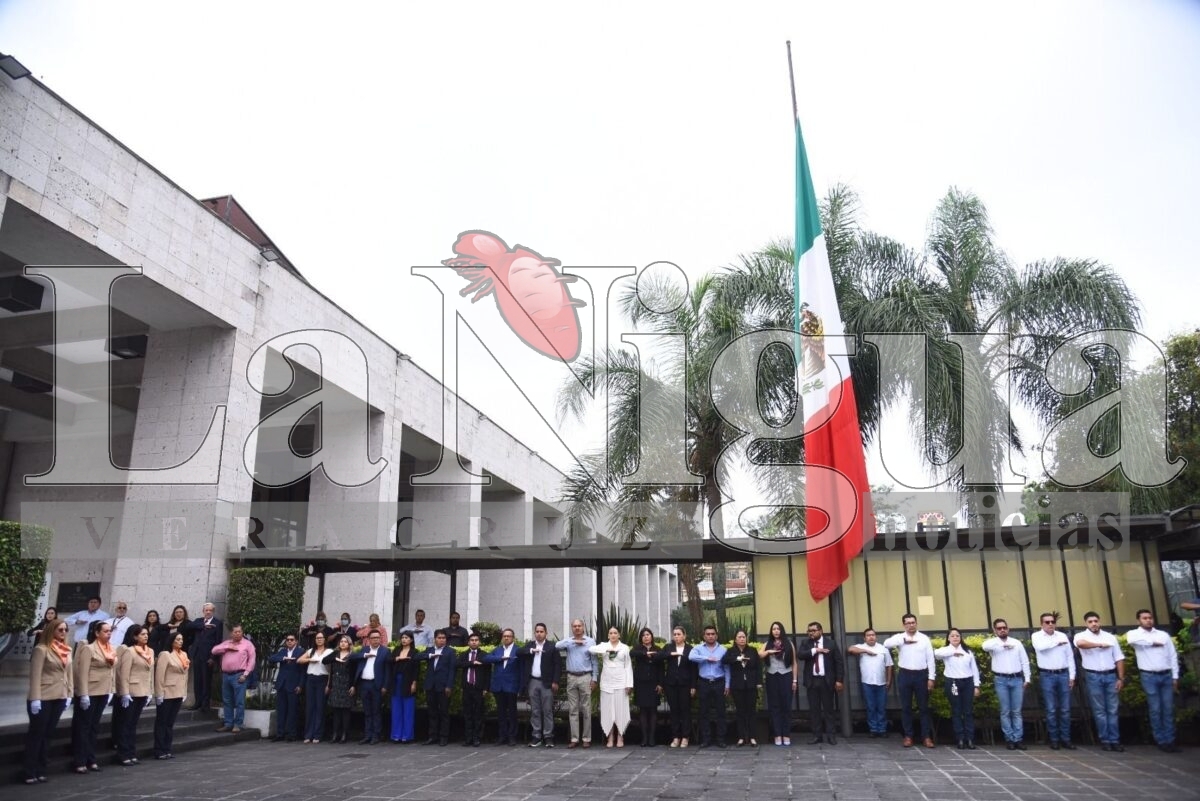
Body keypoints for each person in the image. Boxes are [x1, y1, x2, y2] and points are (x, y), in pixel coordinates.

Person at [23, 621, 73, 784]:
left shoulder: (67, 649)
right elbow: (35, 675)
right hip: (43, 696)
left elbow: (69, 674)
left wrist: (69, 694)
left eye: (65, 629)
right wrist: (35, 698)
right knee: (37, 734)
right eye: (60, 629)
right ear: (52, 630)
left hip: (59, 696)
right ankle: (29, 771)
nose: (63, 632)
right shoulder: (41, 649)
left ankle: (41, 768)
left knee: (48, 734)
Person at [1126, 608, 1180, 753]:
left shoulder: (1163, 635)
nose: (1148, 620)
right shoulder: (1135, 634)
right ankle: (1160, 740)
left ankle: (1170, 740)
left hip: (1166, 674)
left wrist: (1175, 676)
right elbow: (1131, 640)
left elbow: (1172, 655)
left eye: (1150, 618)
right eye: (1145, 618)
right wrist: (1152, 643)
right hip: (1149, 675)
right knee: (1155, 708)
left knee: (1168, 709)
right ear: (1139, 620)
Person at [1073, 610, 1125, 752]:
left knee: (1112, 709)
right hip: (1093, 676)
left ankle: (1115, 740)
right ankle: (1105, 740)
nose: (1094, 624)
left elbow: (1119, 658)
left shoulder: (1110, 637)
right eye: (1090, 622)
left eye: (1096, 621)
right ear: (1086, 623)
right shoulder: (1081, 636)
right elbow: (1080, 644)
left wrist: (1121, 678)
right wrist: (1100, 645)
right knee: (1099, 709)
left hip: (1110, 675)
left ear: (1099, 621)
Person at [882, 613, 937, 748]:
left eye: (913, 622)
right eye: (908, 623)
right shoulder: (900, 637)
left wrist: (931, 677)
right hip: (905, 674)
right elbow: (886, 644)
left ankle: (926, 737)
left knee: (923, 707)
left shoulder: (924, 638)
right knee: (906, 707)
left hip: (921, 675)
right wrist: (903, 640)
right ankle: (908, 736)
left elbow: (930, 659)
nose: (911, 625)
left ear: (916, 623)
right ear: (904, 625)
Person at [72, 619, 116, 774]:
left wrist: (111, 690)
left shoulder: (111, 648)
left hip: (103, 690)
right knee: (84, 726)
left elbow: (111, 671)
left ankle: (91, 758)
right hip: (90, 690)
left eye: (110, 631)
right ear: (97, 633)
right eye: (105, 631)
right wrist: (83, 693)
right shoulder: (88, 648)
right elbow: (82, 672)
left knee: (94, 726)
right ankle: (80, 760)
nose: (109, 633)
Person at [981, 617, 1030, 750]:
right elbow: (984, 646)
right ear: (995, 630)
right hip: (1001, 679)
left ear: (1008, 629)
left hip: (1016, 678)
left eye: (1004, 628)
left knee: (1016, 711)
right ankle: (1009, 738)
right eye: (999, 628)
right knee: (1005, 711)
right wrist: (1000, 644)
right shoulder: (993, 644)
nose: (1002, 630)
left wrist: (1027, 678)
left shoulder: (1016, 643)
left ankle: (1018, 738)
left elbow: (1024, 661)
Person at [1031, 611, 1076, 750]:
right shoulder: (1036, 636)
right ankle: (1054, 739)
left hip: (1063, 674)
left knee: (1065, 709)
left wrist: (1072, 676)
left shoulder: (1062, 636)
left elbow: (1069, 657)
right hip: (1047, 675)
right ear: (1041, 624)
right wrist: (1056, 643)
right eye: (1047, 622)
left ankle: (1066, 739)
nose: (1050, 624)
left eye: (1053, 622)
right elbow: (1040, 648)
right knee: (1050, 709)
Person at [934, 628, 980, 750]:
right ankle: (960, 738)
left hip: (968, 682)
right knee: (956, 711)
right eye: (952, 636)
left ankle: (970, 738)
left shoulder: (967, 651)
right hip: (953, 682)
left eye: (957, 635)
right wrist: (952, 652)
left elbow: (974, 669)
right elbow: (936, 654)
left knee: (968, 711)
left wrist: (976, 685)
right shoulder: (945, 651)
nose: (955, 638)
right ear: (948, 638)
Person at [798, 621, 843, 745]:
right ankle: (817, 736)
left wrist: (839, 680)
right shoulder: (806, 643)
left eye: (813, 630)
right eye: (809, 631)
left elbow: (838, 662)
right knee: (814, 710)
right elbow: (800, 655)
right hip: (812, 681)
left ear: (821, 631)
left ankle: (831, 736)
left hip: (826, 681)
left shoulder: (831, 643)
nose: (811, 633)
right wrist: (815, 650)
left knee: (829, 710)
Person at [114, 624, 154, 765]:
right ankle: (123, 753)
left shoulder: (150, 651)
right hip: (131, 691)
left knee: (133, 723)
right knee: (126, 723)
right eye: (142, 634)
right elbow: (124, 674)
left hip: (143, 690)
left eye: (147, 634)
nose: (146, 636)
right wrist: (124, 693)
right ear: (135, 637)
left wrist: (150, 691)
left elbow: (150, 673)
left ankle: (131, 752)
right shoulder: (129, 651)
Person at [555, 618, 598, 748]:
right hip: (571, 677)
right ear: (572, 628)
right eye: (574, 626)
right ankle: (574, 738)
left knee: (586, 709)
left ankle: (586, 738)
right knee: (572, 709)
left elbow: (594, 661)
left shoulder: (590, 641)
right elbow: (557, 646)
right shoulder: (568, 642)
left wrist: (594, 678)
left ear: (583, 627)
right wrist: (573, 641)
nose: (577, 628)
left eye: (579, 626)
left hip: (585, 676)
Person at [589, 627, 634, 748]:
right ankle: (610, 737)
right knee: (608, 711)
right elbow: (591, 649)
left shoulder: (624, 647)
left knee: (620, 710)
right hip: (607, 683)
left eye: (615, 633)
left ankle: (620, 736)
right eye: (611, 633)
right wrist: (606, 649)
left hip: (621, 682)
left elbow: (628, 666)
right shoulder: (604, 646)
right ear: (608, 635)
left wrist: (629, 684)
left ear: (619, 635)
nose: (613, 635)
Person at [688, 625, 730, 749]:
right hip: (704, 683)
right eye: (708, 634)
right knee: (703, 712)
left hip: (719, 682)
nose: (710, 636)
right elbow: (691, 657)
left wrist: (727, 685)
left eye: (713, 634)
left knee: (721, 712)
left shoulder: (723, 649)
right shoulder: (698, 648)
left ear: (716, 635)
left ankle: (721, 739)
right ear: (704, 636)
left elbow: (727, 668)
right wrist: (707, 658)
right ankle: (706, 739)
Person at [759, 621, 799, 746]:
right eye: (774, 629)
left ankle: (786, 734)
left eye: (778, 628)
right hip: (772, 676)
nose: (776, 631)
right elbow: (760, 655)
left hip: (786, 675)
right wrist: (769, 652)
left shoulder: (789, 643)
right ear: (771, 631)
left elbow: (794, 663)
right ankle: (777, 734)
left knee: (786, 706)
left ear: (781, 630)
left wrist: (794, 680)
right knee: (774, 706)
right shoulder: (767, 643)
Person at [210, 624, 256, 734]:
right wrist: (227, 648)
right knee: (227, 701)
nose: (237, 634)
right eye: (235, 632)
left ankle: (238, 724)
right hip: (226, 675)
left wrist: (245, 674)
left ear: (242, 632)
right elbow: (214, 650)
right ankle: (228, 724)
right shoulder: (227, 643)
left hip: (239, 675)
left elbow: (252, 661)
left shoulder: (247, 644)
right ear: (231, 633)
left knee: (239, 702)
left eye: (239, 631)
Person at [847, 627, 892, 739]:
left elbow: (889, 666)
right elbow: (850, 649)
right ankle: (873, 729)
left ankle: (882, 729)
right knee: (871, 707)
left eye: (873, 635)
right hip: (867, 683)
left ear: (876, 637)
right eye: (868, 635)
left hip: (881, 683)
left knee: (881, 707)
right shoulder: (861, 647)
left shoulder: (883, 649)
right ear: (864, 638)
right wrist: (866, 651)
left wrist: (889, 680)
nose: (871, 637)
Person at [522, 622, 561, 747]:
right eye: (537, 632)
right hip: (533, 681)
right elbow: (519, 652)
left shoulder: (551, 646)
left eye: (541, 632)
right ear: (534, 633)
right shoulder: (530, 645)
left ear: (546, 633)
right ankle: (536, 736)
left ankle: (548, 736)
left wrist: (555, 681)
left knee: (548, 710)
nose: (539, 634)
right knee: (535, 710)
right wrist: (531, 651)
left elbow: (557, 665)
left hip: (547, 683)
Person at [153, 632, 190, 759]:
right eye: (178, 639)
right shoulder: (165, 654)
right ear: (172, 640)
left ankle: (167, 748)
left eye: (182, 639)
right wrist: (159, 693)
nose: (181, 641)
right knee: (162, 722)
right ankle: (159, 750)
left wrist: (184, 691)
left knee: (170, 722)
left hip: (178, 692)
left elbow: (185, 675)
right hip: (167, 691)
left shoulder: (184, 654)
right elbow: (159, 675)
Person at [352, 628, 392, 744]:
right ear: (369, 639)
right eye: (373, 638)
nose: (376, 640)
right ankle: (367, 735)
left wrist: (385, 686)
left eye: (378, 638)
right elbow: (352, 657)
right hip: (364, 684)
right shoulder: (364, 649)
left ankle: (376, 735)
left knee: (376, 711)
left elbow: (387, 671)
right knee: (367, 711)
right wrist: (365, 655)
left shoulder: (385, 651)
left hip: (376, 684)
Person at [723, 629, 761, 747]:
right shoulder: (731, 651)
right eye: (739, 637)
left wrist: (758, 682)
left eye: (744, 637)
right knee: (740, 711)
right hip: (737, 685)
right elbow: (724, 660)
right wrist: (737, 659)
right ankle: (741, 737)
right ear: (735, 639)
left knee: (751, 711)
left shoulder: (752, 650)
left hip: (751, 685)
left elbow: (758, 667)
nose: (742, 639)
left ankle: (752, 737)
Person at [484, 627, 521, 745]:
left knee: (512, 712)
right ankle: (502, 736)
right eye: (504, 636)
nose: (506, 638)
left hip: (511, 685)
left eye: (508, 636)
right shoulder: (498, 650)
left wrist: (520, 687)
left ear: (513, 638)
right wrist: (500, 658)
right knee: (501, 712)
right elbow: (486, 658)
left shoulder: (517, 650)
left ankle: (512, 736)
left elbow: (521, 669)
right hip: (498, 685)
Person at [184, 602, 223, 710]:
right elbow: (188, 626)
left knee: (206, 680)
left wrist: (213, 657)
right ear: (203, 611)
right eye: (206, 610)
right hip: (197, 654)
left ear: (213, 611)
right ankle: (198, 702)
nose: (208, 612)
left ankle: (205, 704)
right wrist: (203, 626)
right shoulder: (198, 621)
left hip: (208, 656)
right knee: (197, 680)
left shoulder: (217, 623)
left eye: (210, 610)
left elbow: (218, 642)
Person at [267, 632, 305, 742]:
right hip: (281, 684)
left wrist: (300, 685)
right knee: (281, 710)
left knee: (292, 711)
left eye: (292, 640)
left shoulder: (300, 652)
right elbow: (271, 658)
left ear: (296, 641)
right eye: (287, 640)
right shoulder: (283, 651)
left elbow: (303, 671)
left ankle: (291, 734)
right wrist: (283, 658)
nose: (289, 641)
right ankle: (280, 734)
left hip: (293, 684)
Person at [662, 625, 696, 748]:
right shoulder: (668, 647)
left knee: (685, 710)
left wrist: (693, 686)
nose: (676, 636)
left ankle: (685, 737)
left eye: (679, 634)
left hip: (685, 684)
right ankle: (675, 736)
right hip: (671, 684)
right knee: (674, 710)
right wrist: (671, 654)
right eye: (674, 634)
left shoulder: (690, 649)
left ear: (684, 636)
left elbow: (693, 669)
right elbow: (659, 656)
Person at [421, 629, 456, 745]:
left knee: (444, 712)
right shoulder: (430, 650)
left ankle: (444, 737)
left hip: (443, 686)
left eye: (443, 638)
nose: (441, 640)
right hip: (430, 685)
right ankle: (432, 736)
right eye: (439, 638)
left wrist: (449, 686)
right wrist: (430, 655)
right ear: (435, 639)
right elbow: (417, 656)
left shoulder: (450, 652)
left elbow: (452, 670)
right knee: (432, 712)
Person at [630, 627, 663, 747]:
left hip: (653, 683)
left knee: (653, 711)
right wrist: (645, 653)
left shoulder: (657, 649)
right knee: (643, 711)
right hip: (641, 683)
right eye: (643, 635)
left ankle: (652, 738)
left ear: (651, 636)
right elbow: (631, 654)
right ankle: (644, 738)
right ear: (641, 638)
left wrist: (660, 683)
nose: (646, 637)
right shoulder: (638, 648)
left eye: (648, 634)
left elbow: (661, 667)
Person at [298, 632, 332, 743]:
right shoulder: (311, 651)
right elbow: (299, 660)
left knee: (320, 707)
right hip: (311, 680)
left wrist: (328, 684)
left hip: (322, 679)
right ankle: (308, 734)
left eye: (321, 638)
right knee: (310, 707)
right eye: (317, 638)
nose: (319, 639)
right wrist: (310, 660)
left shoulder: (329, 651)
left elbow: (331, 670)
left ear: (325, 639)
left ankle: (318, 734)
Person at [458, 632, 490, 747]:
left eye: (476, 640)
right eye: (472, 640)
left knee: (478, 713)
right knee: (467, 713)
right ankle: (468, 738)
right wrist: (472, 663)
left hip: (478, 688)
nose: (474, 642)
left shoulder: (484, 655)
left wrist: (486, 688)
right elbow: (459, 664)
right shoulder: (464, 654)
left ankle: (477, 737)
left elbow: (488, 673)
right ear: (468, 642)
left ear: (479, 642)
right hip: (467, 687)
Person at [390, 631, 420, 743]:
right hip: (396, 681)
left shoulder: (414, 652)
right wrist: (396, 659)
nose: (404, 640)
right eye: (402, 637)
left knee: (408, 709)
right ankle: (396, 734)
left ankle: (407, 736)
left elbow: (416, 669)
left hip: (408, 681)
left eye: (406, 638)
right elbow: (388, 661)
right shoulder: (396, 650)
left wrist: (414, 683)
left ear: (411, 640)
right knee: (396, 709)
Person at [325, 634, 355, 744]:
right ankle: (335, 734)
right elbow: (324, 660)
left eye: (345, 642)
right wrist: (335, 658)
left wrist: (353, 686)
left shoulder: (352, 655)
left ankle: (344, 734)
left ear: (349, 644)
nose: (343, 643)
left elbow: (354, 672)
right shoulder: (335, 653)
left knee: (345, 711)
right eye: (341, 641)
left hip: (346, 684)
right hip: (336, 684)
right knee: (336, 711)